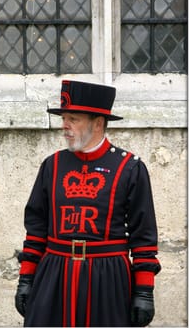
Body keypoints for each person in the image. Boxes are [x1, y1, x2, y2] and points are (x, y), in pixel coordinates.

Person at [15, 80, 161, 327]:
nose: (65, 126)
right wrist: (26, 278)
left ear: (98, 122)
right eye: (64, 118)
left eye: (74, 118)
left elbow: (143, 236)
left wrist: (144, 291)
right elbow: (36, 227)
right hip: (54, 275)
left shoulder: (130, 168)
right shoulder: (52, 165)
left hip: (108, 278)